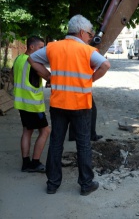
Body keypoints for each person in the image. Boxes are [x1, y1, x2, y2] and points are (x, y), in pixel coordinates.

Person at [28, 15, 110, 195]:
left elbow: (32, 60)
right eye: (89, 34)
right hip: (81, 105)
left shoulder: (53, 47)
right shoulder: (87, 50)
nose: (90, 37)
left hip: (58, 104)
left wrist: (48, 77)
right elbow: (105, 65)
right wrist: (89, 81)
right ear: (81, 32)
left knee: (56, 143)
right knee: (83, 144)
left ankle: (52, 184)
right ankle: (86, 184)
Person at [12, 36, 51, 173]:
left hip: (21, 103)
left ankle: (26, 163)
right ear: (32, 47)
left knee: (27, 131)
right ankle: (35, 163)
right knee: (45, 130)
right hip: (33, 104)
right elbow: (49, 76)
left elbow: (16, 77)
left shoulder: (18, 59)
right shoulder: (33, 62)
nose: (43, 51)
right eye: (41, 48)